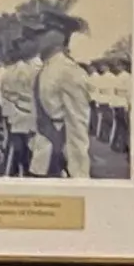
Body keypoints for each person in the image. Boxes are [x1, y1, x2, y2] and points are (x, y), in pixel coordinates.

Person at [40, 33, 98, 179]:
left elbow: (76, 124)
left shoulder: (68, 71)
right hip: (46, 145)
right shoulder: (49, 68)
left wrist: (79, 173)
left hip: (57, 144)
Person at [0, 34, 48, 176]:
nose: (21, 48)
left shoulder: (44, 68)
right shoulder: (13, 70)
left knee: (40, 163)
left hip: (41, 124)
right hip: (20, 120)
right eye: (19, 45)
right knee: (16, 156)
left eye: (25, 43)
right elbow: (6, 92)